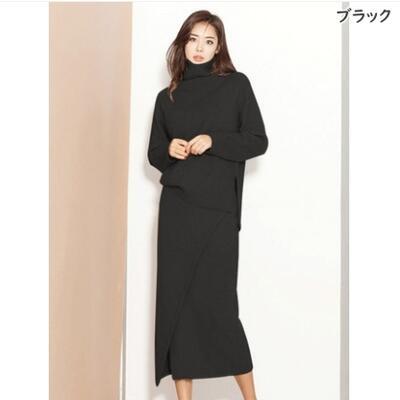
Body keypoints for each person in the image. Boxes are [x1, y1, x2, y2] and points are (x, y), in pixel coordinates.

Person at [147, 9, 268, 400]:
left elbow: (257, 140)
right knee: (178, 307)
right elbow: (154, 152)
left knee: (219, 307)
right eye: (193, 39)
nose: (199, 47)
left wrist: (215, 139)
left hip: (217, 213)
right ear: (183, 43)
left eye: (209, 41)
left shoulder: (236, 85)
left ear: (219, 48)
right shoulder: (167, 97)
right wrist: (169, 148)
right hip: (177, 211)